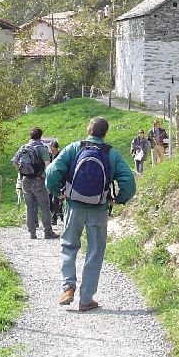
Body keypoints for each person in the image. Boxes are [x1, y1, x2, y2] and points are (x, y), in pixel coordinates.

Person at [46, 116, 136, 311]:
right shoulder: (111, 154)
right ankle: (86, 299)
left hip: (74, 206)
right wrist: (118, 199)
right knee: (95, 252)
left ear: (89, 130)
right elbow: (129, 182)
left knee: (69, 246)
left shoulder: (74, 148)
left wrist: (57, 192)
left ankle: (68, 287)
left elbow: (52, 172)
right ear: (105, 133)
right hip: (98, 209)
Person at [12, 127, 58, 239]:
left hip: (25, 181)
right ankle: (48, 232)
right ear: (40, 136)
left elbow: (14, 162)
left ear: (30, 136)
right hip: (38, 181)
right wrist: (47, 178)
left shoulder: (24, 148)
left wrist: (22, 172)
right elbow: (48, 165)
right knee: (45, 207)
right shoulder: (42, 149)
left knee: (29, 207)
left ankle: (32, 233)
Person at [47, 140, 64, 225]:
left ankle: (54, 218)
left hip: (58, 180)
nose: (51, 152)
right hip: (50, 179)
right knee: (49, 199)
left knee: (55, 199)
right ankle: (54, 213)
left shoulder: (61, 156)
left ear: (57, 149)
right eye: (50, 150)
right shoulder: (48, 155)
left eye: (53, 150)